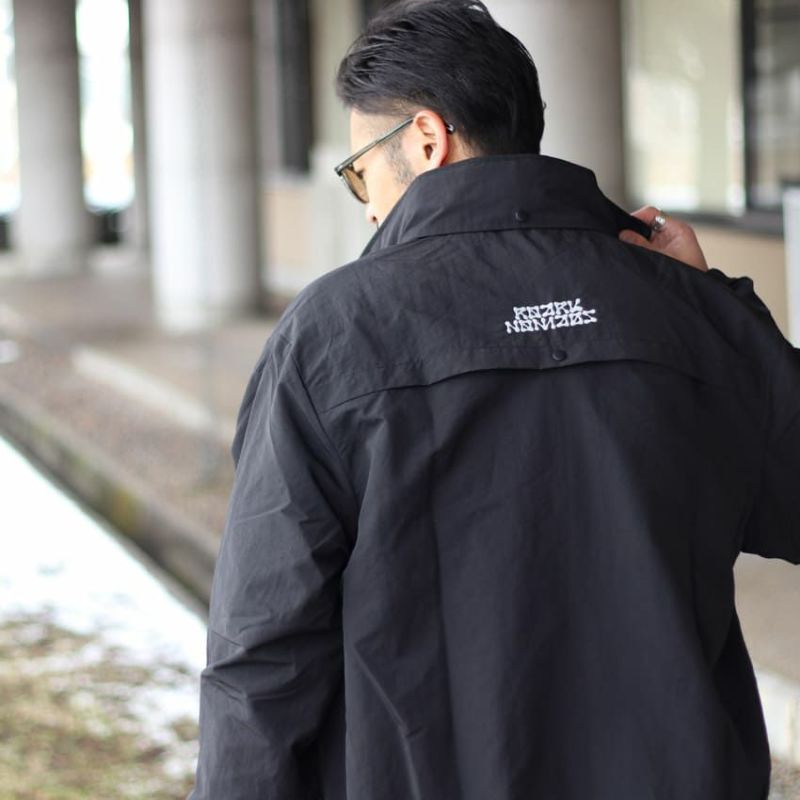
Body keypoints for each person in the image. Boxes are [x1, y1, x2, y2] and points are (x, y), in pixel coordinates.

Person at [189, 2, 799, 798]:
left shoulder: (333, 332)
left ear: (426, 139)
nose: (367, 204)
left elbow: (263, 651)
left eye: (360, 172)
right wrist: (715, 304)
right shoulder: (686, 308)